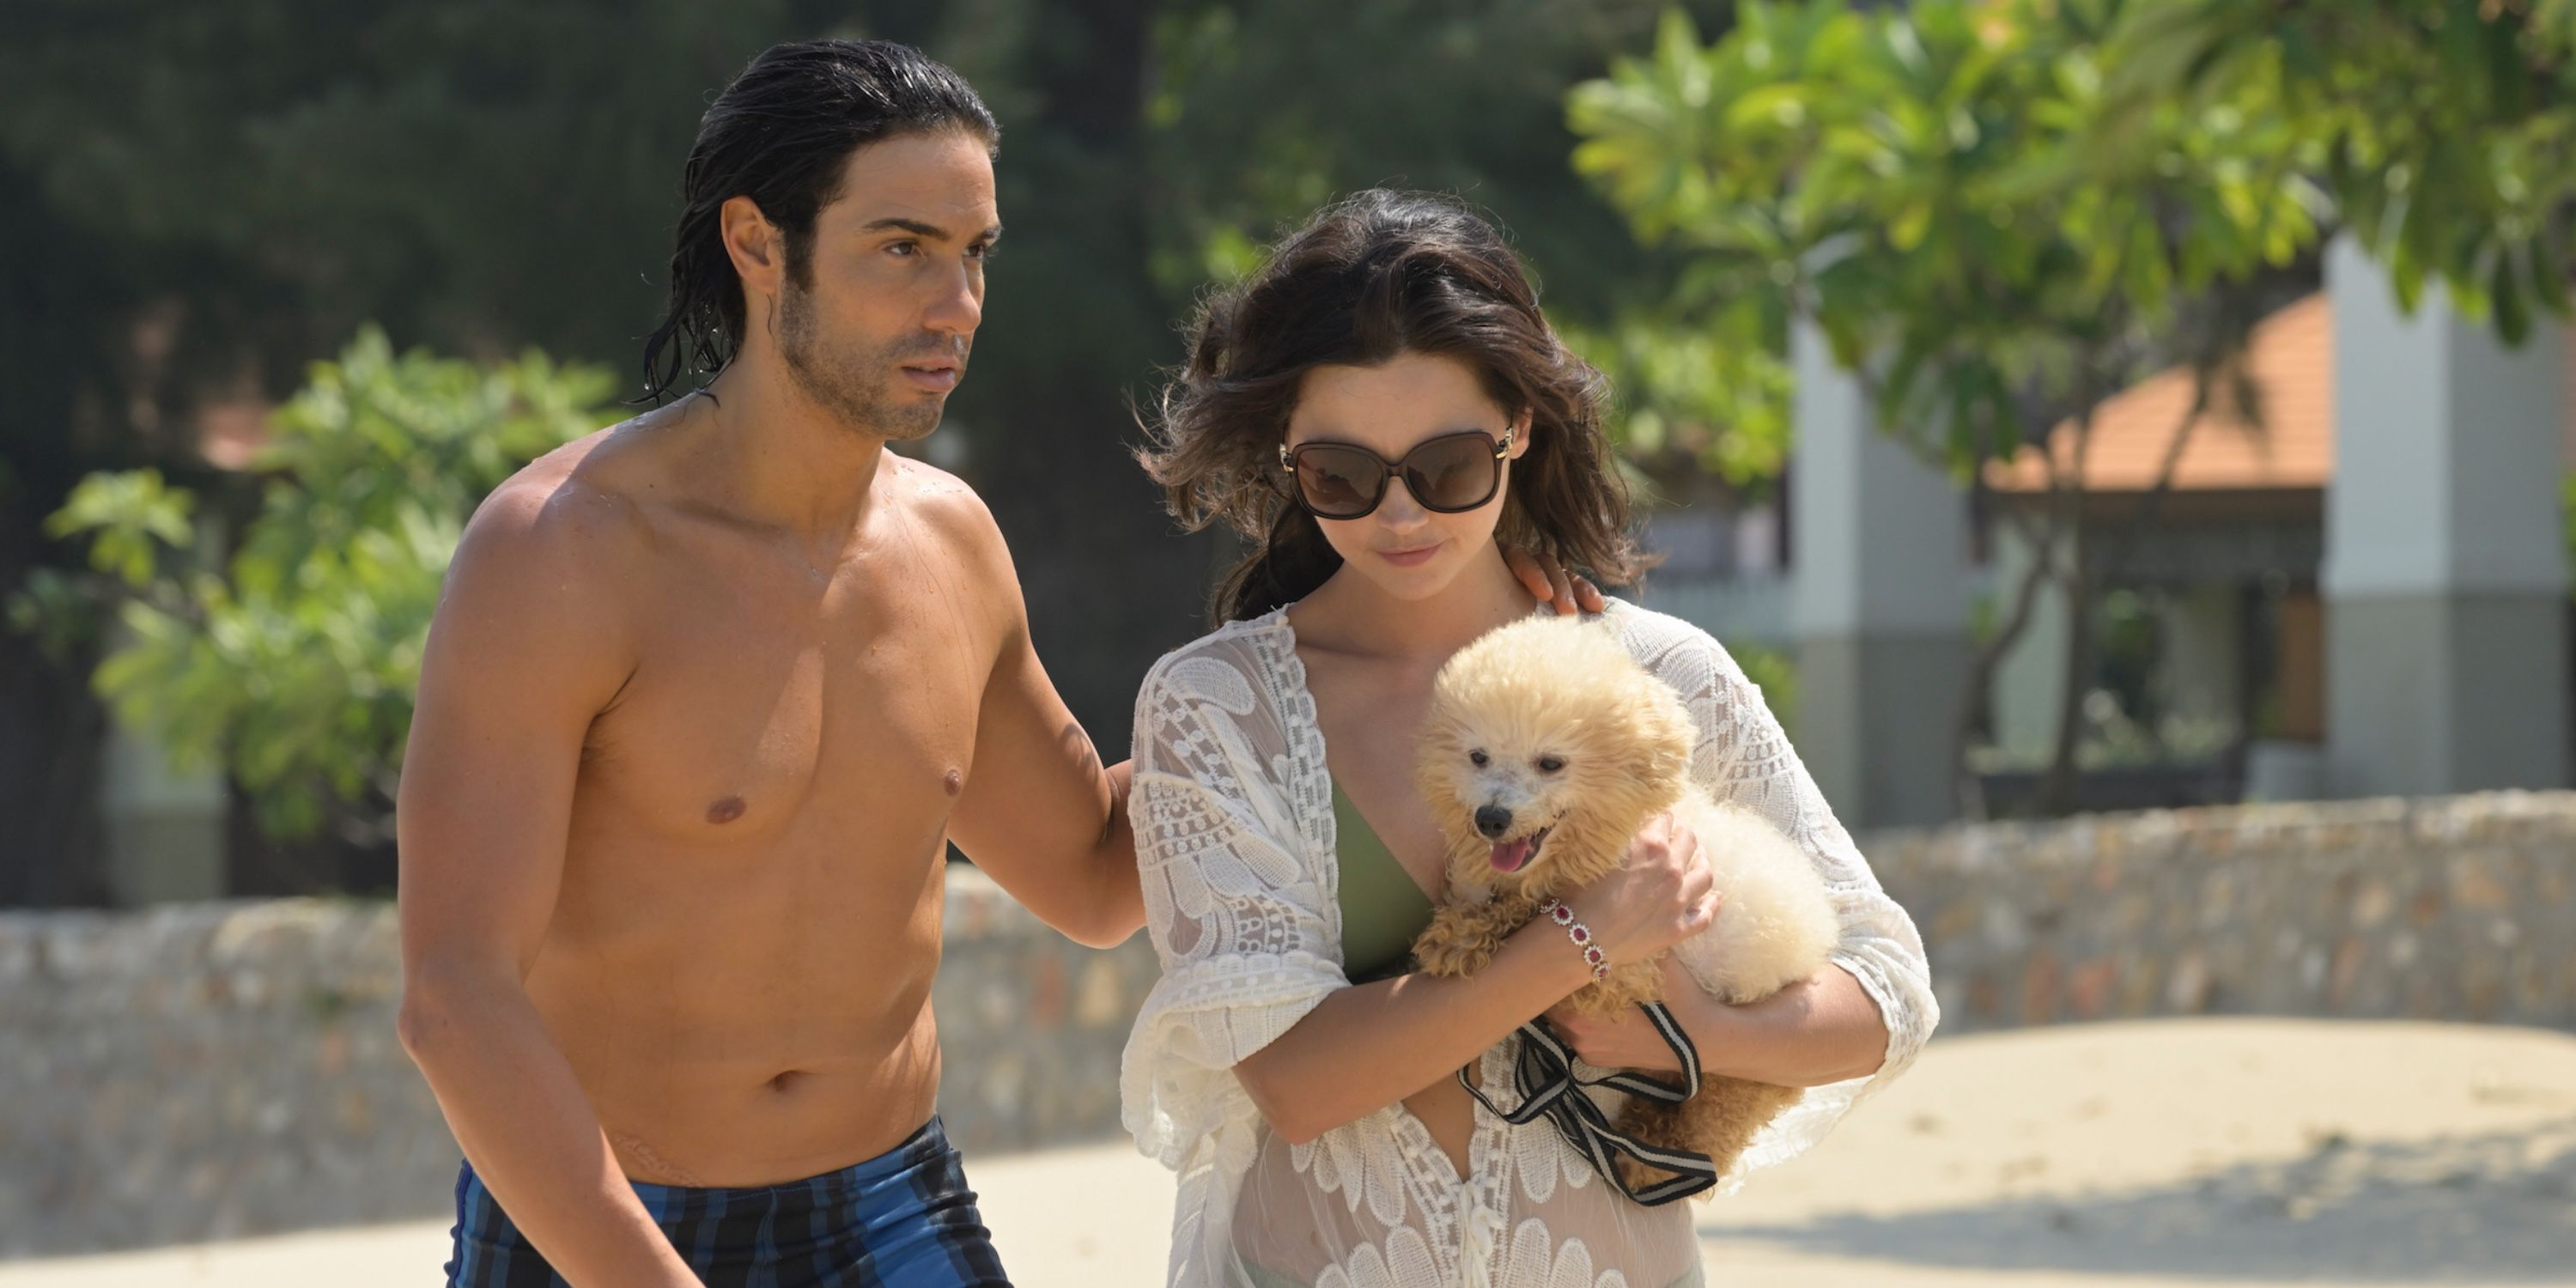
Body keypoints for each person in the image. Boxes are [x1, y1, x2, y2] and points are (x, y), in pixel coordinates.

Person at [397, 40, 1598, 1288]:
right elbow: (454, 994)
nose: (955, 305)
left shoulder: (947, 544)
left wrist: (1400, 641)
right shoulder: (562, 552)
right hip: (590, 1224)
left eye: (974, 254)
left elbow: (1087, 870)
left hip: (884, 1201)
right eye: (902, 248)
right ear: (760, 247)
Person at [1121, 190, 1940, 1287]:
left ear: (1519, 431)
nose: (1400, 516)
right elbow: (1296, 1084)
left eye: (1448, 465)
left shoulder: (1664, 676)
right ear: (1286, 459)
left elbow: (1885, 995)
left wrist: (1688, 1031)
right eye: (1344, 477)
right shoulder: (1216, 707)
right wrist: (1581, 942)